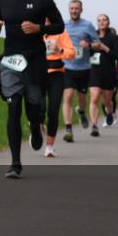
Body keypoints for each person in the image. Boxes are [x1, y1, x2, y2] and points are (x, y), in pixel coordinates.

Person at [0, 0, 64, 178]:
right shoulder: (1, 0)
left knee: (34, 104)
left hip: (35, 62)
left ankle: (34, 124)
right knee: (13, 108)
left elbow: (59, 25)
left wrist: (39, 28)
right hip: (11, 61)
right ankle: (15, 164)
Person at [61, 0, 101, 143]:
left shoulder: (88, 25)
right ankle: (68, 128)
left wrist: (89, 44)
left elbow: (98, 44)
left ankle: (81, 111)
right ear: (68, 9)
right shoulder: (63, 25)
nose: (74, 11)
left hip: (84, 68)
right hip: (67, 67)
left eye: (77, 8)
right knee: (68, 96)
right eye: (72, 8)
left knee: (82, 99)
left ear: (81, 10)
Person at [42, 22, 75, 157]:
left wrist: (60, 50)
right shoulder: (34, 29)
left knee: (53, 110)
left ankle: (49, 147)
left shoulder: (61, 32)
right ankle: (36, 126)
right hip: (38, 73)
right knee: (37, 108)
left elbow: (72, 53)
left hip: (57, 74)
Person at [88, 14, 118, 134]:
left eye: (104, 20)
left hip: (108, 72)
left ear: (108, 22)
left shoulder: (114, 37)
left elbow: (116, 55)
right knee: (95, 97)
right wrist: (91, 47)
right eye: (99, 20)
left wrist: (103, 47)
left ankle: (110, 111)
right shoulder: (92, 35)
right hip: (94, 71)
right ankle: (94, 126)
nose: (101, 22)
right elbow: (87, 51)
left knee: (107, 101)